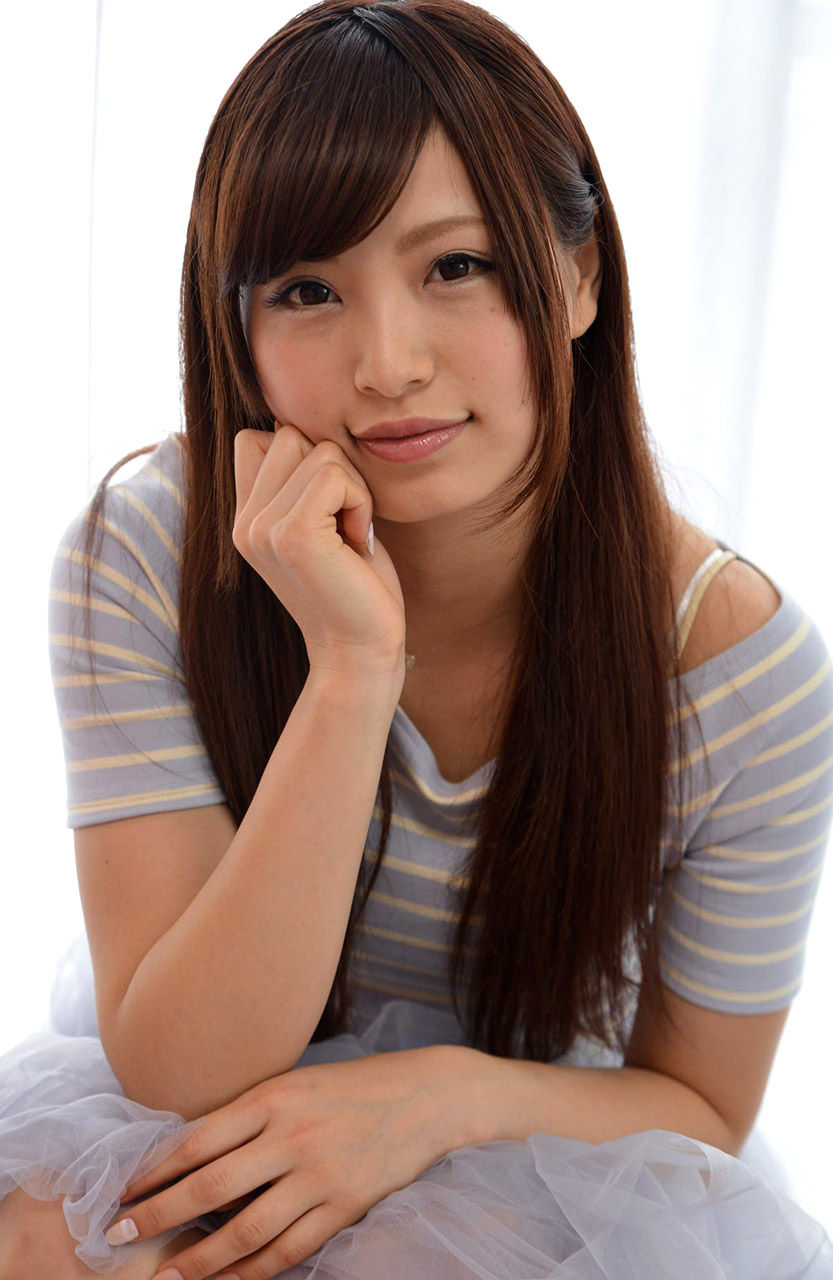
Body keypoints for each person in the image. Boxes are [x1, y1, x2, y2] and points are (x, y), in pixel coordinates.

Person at [1, 0, 832, 1276]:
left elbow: (700, 1110)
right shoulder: (145, 550)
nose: (386, 364)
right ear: (235, 332)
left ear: (577, 277)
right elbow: (182, 1064)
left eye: (455, 267)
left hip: (537, 1136)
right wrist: (350, 671)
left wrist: (434, 1097)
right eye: (307, 289)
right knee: (49, 1236)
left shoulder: (740, 674)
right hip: (223, 1081)